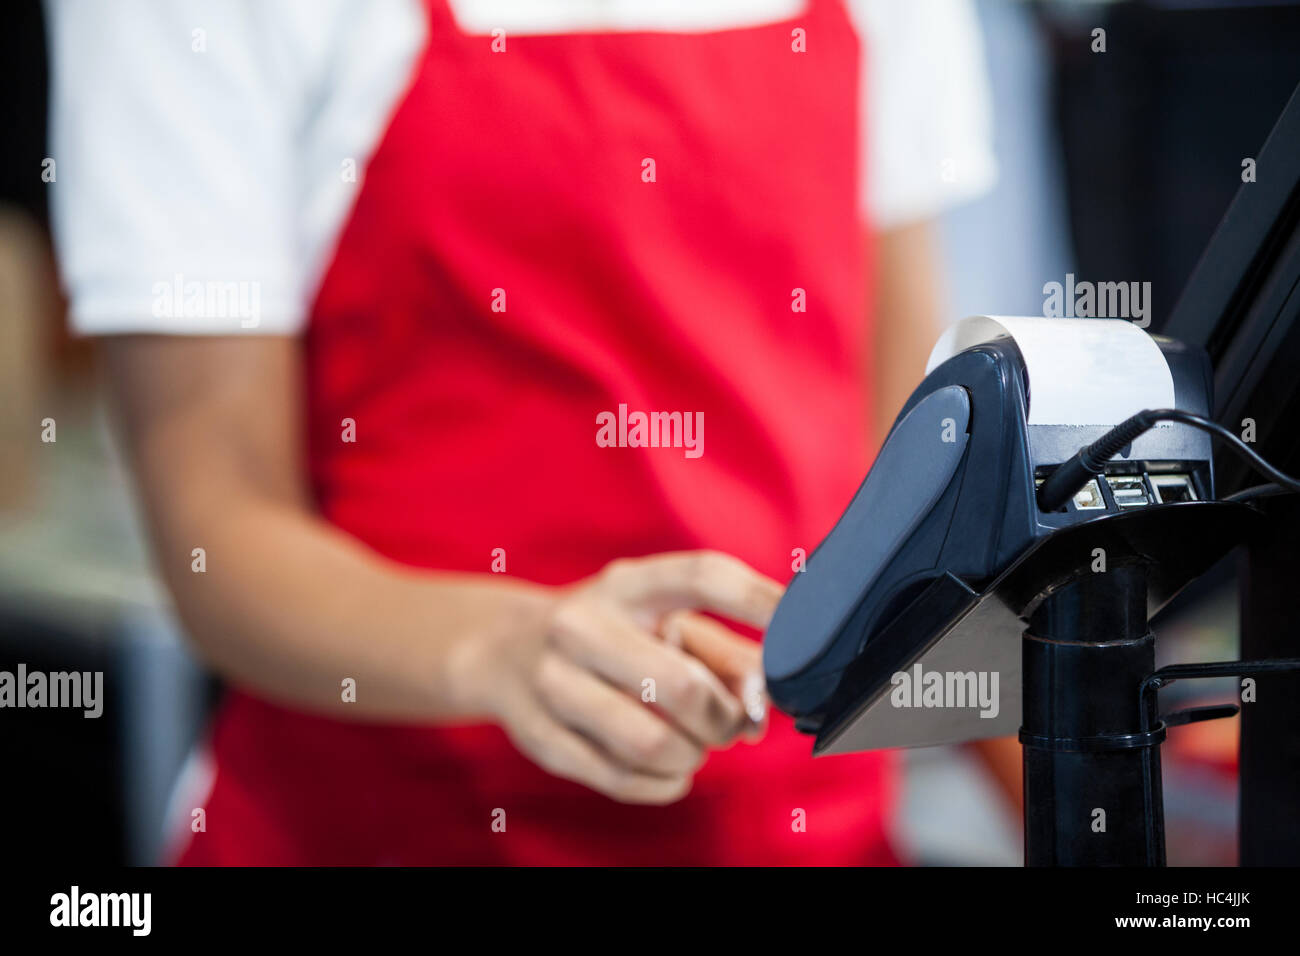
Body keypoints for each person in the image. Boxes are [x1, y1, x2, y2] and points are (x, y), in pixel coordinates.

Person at [46, 0, 1008, 864]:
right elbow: (217, 531)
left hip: (807, 830)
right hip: (387, 824)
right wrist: (505, 648)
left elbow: (909, 471)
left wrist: (1083, 770)